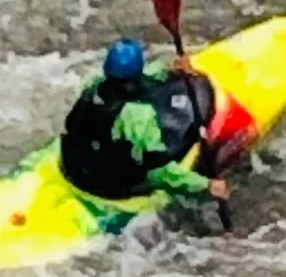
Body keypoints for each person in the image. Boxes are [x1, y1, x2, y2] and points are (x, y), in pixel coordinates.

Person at [58, 37, 224, 212]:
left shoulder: (94, 86)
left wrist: (170, 71)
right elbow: (161, 172)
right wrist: (205, 185)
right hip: (111, 189)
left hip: (75, 170)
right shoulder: (139, 117)